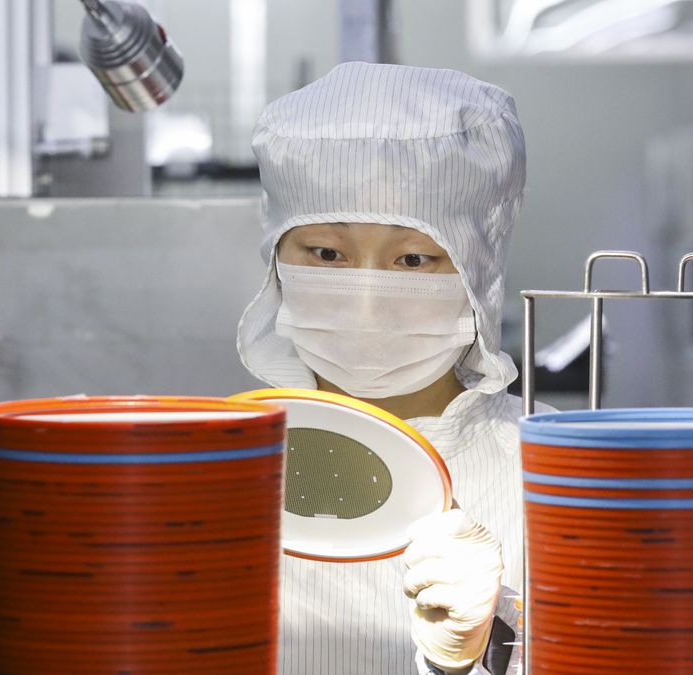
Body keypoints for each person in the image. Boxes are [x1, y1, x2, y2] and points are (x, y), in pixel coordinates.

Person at [236, 62, 551, 674]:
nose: (367, 296)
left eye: (413, 259)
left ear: (477, 271)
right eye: (327, 252)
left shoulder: (553, 477)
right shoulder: (216, 467)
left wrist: (465, 663)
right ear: (278, 256)